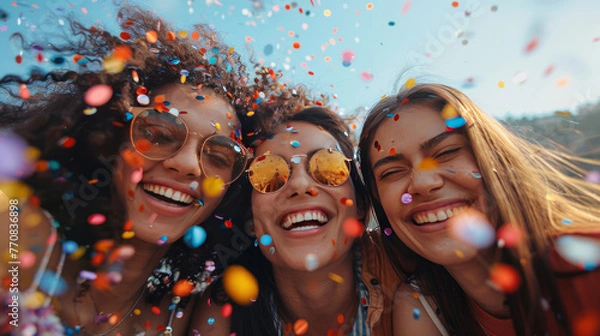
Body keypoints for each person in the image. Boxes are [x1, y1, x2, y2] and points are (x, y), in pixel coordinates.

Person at [0, 5, 257, 335]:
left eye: (220, 156)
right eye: (159, 134)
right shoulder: (16, 234)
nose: (187, 164)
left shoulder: (184, 320)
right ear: (111, 141)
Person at [357, 82, 600, 336]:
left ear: (492, 157)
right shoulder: (419, 306)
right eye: (392, 172)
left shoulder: (589, 268)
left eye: (447, 152)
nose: (423, 183)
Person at [190, 105, 431, 335]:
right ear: (251, 221)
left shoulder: (419, 277)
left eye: (329, 166)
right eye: (268, 174)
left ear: (360, 204)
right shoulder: (220, 312)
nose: (300, 185)